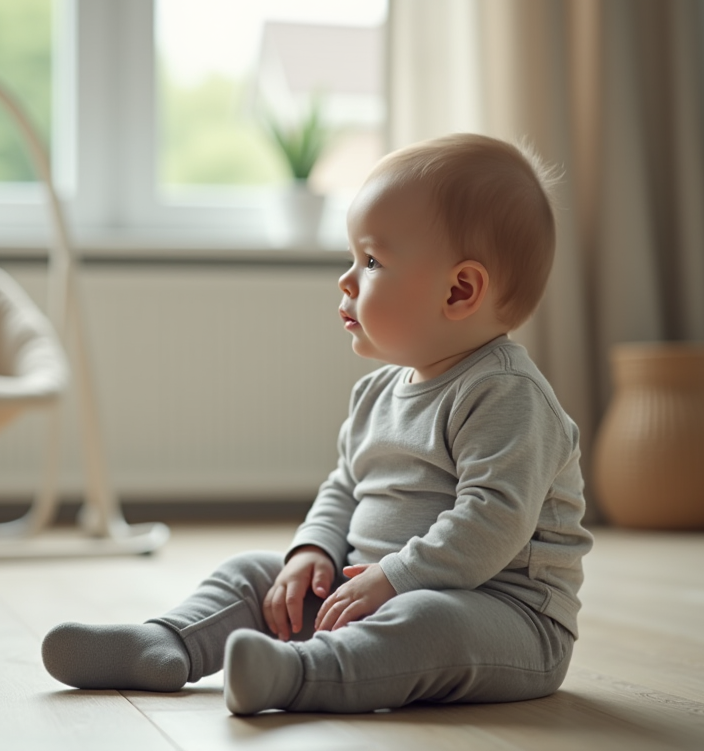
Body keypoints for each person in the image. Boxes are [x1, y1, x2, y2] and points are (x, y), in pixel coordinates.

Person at [41, 133, 593, 715]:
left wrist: (395, 579)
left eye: (372, 261)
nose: (347, 279)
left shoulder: (505, 393)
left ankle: (299, 674)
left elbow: (494, 520)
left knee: (426, 621)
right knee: (259, 573)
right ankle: (167, 642)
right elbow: (345, 488)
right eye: (353, 258)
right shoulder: (377, 392)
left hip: (502, 616)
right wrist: (315, 553)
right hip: (370, 593)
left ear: (459, 290)